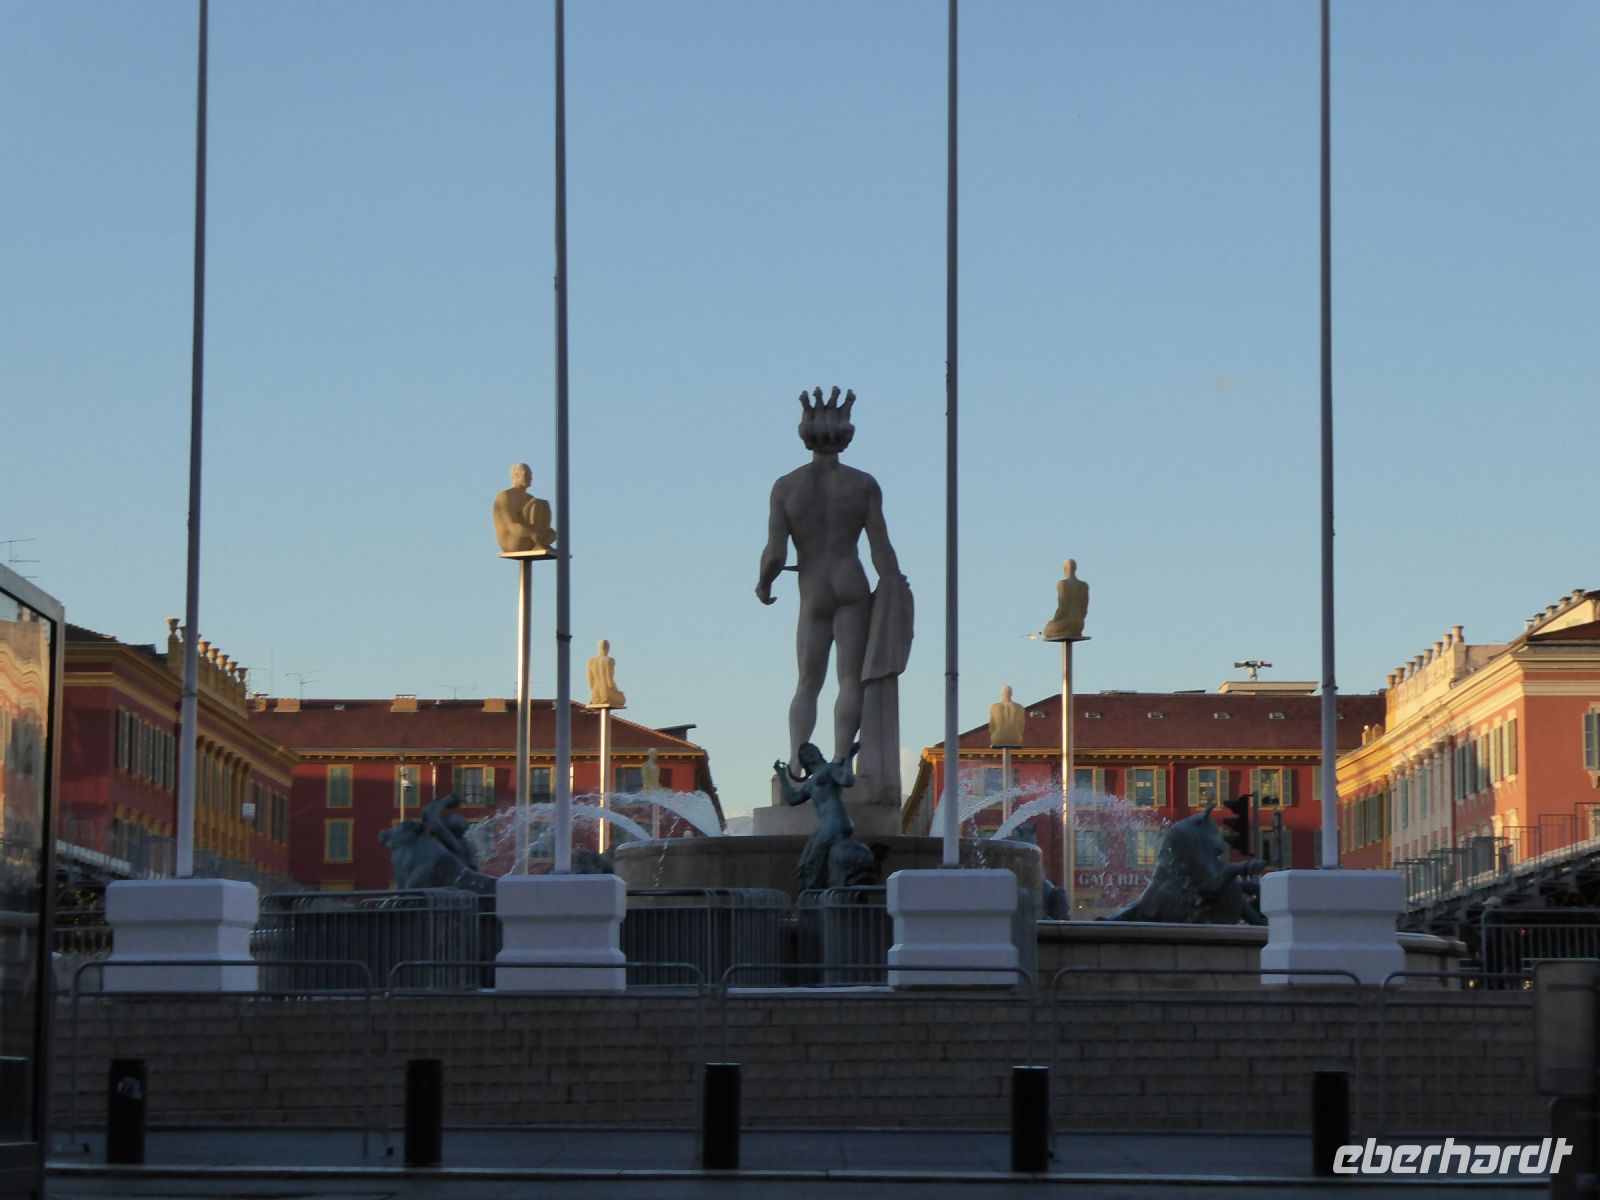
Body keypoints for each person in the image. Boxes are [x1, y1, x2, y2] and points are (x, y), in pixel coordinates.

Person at [756, 387, 910, 772]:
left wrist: (765, 583)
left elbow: (775, 553)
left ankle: (795, 762)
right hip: (850, 581)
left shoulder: (785, 487)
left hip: (814, 589)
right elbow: (880, 548)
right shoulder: (863, 484)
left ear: (804, 436)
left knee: (808, 681)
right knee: (850, 679)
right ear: (846, 437)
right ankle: (842, 759)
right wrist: (892, 583)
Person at [774, 741, 858, 891]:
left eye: (812, 750)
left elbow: (847, 780)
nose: (809, 754)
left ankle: (812, 894)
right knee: (806, 862)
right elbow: (793, 799)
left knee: (812, 863)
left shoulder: (830, 769)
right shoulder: (811, 782)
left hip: (835, 823)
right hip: (826, 827)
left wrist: (850, 758)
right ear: (803, 761)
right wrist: (782, 776)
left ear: (819, 752)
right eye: (805, 754)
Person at [492, 463, 557, 555]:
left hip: (530, 538)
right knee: (536, 503)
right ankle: (538, 541)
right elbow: (512, 526)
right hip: (513, 542)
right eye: (526, 474)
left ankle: (540, 543)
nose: (530, 478)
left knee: (544, 503)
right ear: (516, 476)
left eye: (531, 475)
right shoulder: (505, 496)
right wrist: (532, 534)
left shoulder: (529, 498)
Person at [1042, 558, 1090, 641]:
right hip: (1079, 625)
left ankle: (1064, 631)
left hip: (1066, 623)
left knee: (1046, 630)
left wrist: (1055, 620)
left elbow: (1063, 607)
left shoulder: (1063, 584)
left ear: (1065, 569)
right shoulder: (1084, 585)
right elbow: (1084, 609)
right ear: (1075, 569)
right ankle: (1070, 631)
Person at [586, 638, 626, 708]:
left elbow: (591, 682)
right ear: (608, 648)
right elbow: (609, 681)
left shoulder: (591, 661)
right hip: (606, 695)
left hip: (596, 695)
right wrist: (617, 691)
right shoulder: (609, 660)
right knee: (622, 699)